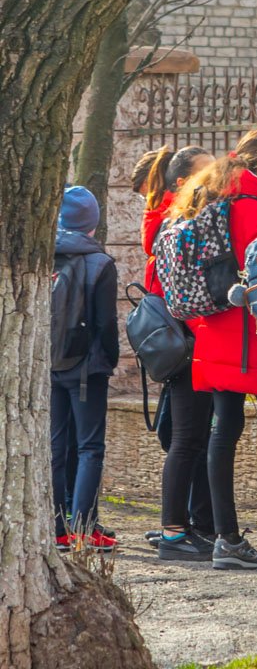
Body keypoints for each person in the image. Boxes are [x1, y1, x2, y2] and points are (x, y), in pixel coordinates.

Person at [173, 128, 257, 570]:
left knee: (223, 432)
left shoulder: (212, 193)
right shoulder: (252, 204)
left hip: (215, 332)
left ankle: (226, 537)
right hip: (252, 337)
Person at [139, 146, 224, 561]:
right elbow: (180, 296)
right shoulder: (178, 227)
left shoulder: (169, 224)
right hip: (190, 346)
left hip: (187, 345)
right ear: (182, 184)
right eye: (207, 174)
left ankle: (196, 526)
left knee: (189, 438)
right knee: (189, 439)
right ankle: (175, 532)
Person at [51, 186, 119, 552]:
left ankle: (58, 527)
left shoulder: (46, 256)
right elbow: (106, 324)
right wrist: (110, 359)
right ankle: (83, 528)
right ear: (93, 220)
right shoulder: (100, 263)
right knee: (90, 447)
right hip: (87, 368)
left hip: (51, 364)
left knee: (56, 446)